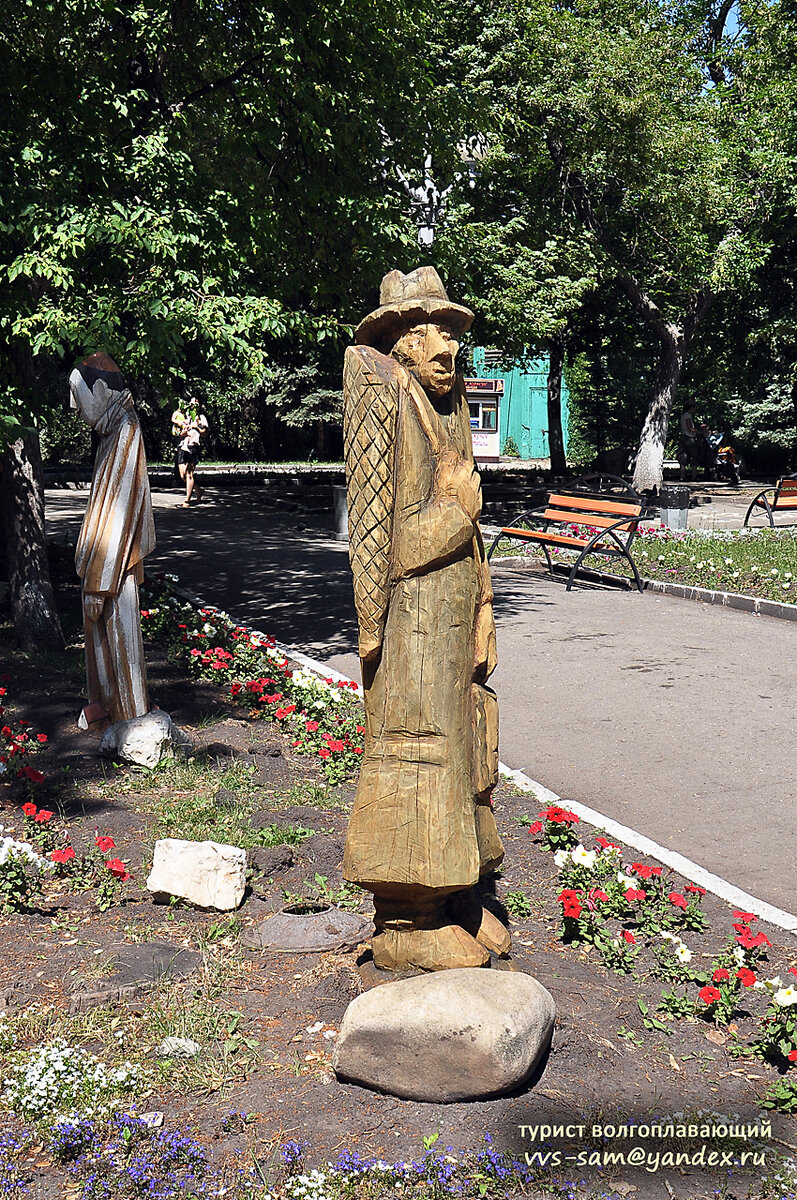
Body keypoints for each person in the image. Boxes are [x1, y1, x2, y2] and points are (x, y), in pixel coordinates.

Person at [342, 266, 509, 972]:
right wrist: (458, 511)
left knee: (468, 748)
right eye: (428, 330)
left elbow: (467, 540)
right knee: (419, 752)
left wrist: (484, 613)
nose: (447, 346)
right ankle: (406, 918)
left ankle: (457, 892)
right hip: (411, 628)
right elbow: (388, 547)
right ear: (400, 343)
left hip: (452, 623)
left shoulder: (446, 408)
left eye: (451, 331)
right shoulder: (383, 395)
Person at [70, 353, 155, 725]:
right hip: (105, 568)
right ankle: (108, 712)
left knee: (122, 646)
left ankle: (133, 723)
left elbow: (121, 514)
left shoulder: (125, 430)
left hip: (114, 571)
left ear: (102, 389)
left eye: (77, 395)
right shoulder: (111, 430)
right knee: (105, 648)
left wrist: (98, 584)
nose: (73, 407)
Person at [171, 399, 208, 507]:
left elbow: (205, 434)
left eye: (196, 403)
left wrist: (196, 426)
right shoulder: (185, 416)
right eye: (191, 403)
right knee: (183, 475)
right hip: (183, 446)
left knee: (189, 473)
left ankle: (187, 500)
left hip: (193, 446)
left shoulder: (201, 418)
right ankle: (199, 490)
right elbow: (177, 426)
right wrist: (181, 433)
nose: (193, 405)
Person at [678, 403, 699, 481]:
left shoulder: (683, 415)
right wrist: (699, 432)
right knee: (694, 456)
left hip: (684, 437)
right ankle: (694, 476)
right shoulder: (688, 416)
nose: (695, 410)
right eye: (694, 408)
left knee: (684, 456)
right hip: (689, 438)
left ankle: (682, 476)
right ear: (691, 407)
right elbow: (690, 427)